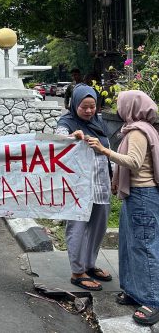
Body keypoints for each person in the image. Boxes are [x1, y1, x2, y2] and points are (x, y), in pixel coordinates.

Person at [84, 91, 159, 326]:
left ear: (131, 106)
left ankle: (152, 301)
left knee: (144, 246)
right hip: (137, 195)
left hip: (143, 195)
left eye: (120, 104)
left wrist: (104, 151)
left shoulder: (138, 131)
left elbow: (134, 162)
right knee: (128, 245)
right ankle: (134, 291)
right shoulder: (135, 128)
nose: (118, 108)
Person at [55, 84, 112, 291]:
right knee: (78, 227)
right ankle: (77, 271)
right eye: (84, 107)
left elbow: (107, 149)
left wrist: (113, 177)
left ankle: (89, 264)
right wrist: (72, 138)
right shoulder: (67, 122)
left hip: (101, 183)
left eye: (92, 106)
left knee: (98, 226)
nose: (89, 111)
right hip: (78, 185)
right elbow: (57, 141)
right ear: (74, 105)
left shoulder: (98, 121)